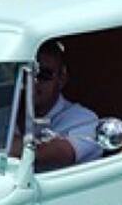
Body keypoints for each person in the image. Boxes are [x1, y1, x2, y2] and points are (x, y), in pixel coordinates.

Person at [23, 41, 101, 169]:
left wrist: (7, 145)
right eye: (25, 75)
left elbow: (61, 154)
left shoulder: (85, 120)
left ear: (61, 79)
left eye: (43, 74)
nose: (32, 82)